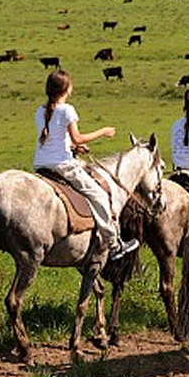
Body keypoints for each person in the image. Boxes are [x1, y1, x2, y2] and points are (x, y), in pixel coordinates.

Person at [33, 70, 139, 261]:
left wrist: (74, 147)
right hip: (62, 165)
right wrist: (103, 132)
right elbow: (77, 136)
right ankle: (113, 243)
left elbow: (55, 139)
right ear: (67, 88)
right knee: (98, 194)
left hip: (41, 163)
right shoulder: (67, 110)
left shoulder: (40, 111)